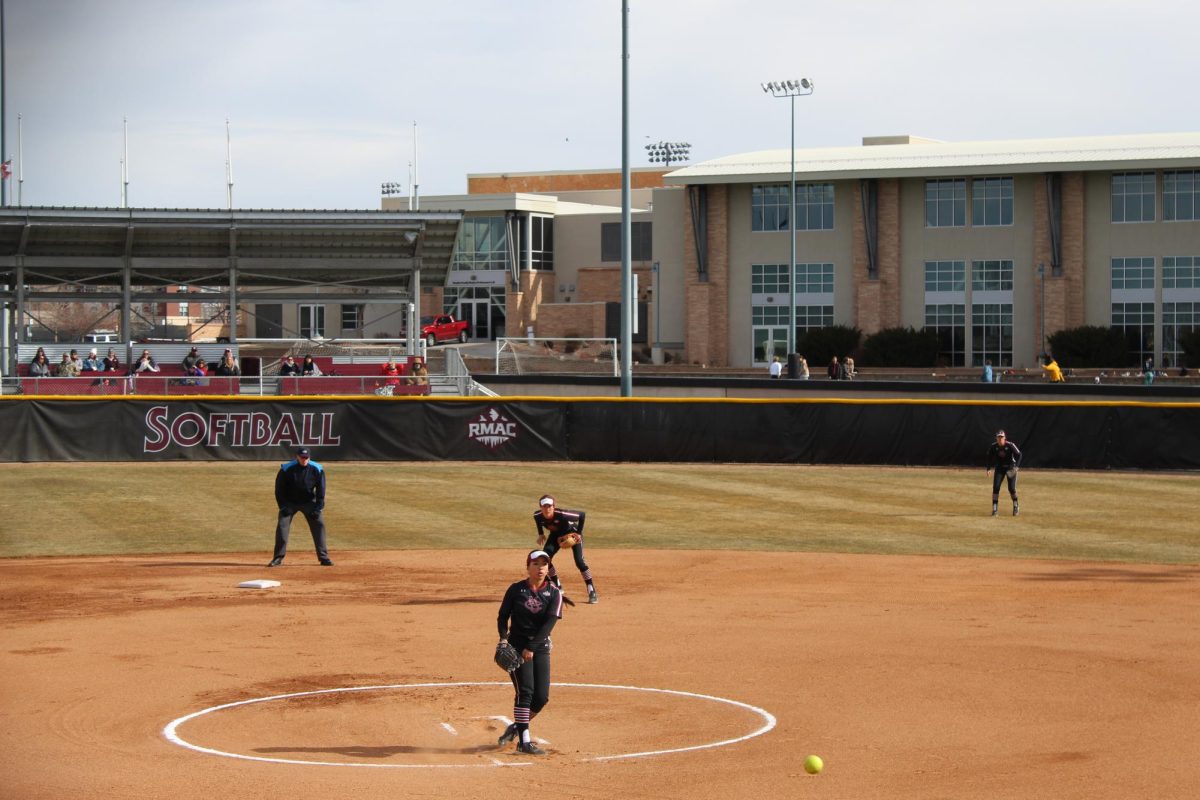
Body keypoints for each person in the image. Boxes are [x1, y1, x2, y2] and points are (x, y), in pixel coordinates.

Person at [495, 549, 564, 756]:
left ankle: (516, 727)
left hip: (539, 646)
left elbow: (549, 624)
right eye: (536, 564)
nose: (540, 568)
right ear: (528, 567)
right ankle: (524, 742)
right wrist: (503, 639)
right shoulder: (516, 590)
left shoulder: (554, 593)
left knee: (541, 697)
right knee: (525, 692)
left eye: (544, 564)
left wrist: (532, 647)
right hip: (516, 647)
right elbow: (502, 617)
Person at [268, 447, 332, 567]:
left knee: (319, 525)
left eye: (306, 458)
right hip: (289, 503)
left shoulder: (317, 469)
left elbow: (321, 490)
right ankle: (278, 558)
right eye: (302, 458)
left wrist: (318, 507)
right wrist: (283, 506)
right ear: (297, 457)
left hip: (309, 502)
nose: (304, 460)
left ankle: (323, 557)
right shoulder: (286, 469)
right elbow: (279, 489)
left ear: (309, 457)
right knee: (282, 527)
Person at [534, 494, 598, 604]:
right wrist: (540, 533)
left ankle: (591, 589)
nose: (547, 509)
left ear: (554, 506)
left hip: (572, 534)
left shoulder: (562, 514)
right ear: (540, 507)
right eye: (544, 506)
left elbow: (582, 515)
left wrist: (578, 533)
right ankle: (558, 586)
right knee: (545, 558)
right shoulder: (538, 515)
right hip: (555, 536)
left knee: (580, 562)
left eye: (549, 506)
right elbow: (538, 521)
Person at [985, 430, 1022, 517]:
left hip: (1010, 468)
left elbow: (1019, 455)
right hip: (999, 468)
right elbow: (989, 456)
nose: (1000, 439)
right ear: (996, 438)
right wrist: (988, 468)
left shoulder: (1010, 445)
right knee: (996, 488)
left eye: (1002, 437)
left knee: (1011, 489)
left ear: (1005, 438)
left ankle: (1016, 506)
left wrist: (1016, 467)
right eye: (999, 437)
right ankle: (995, 509)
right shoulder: (994, 446)